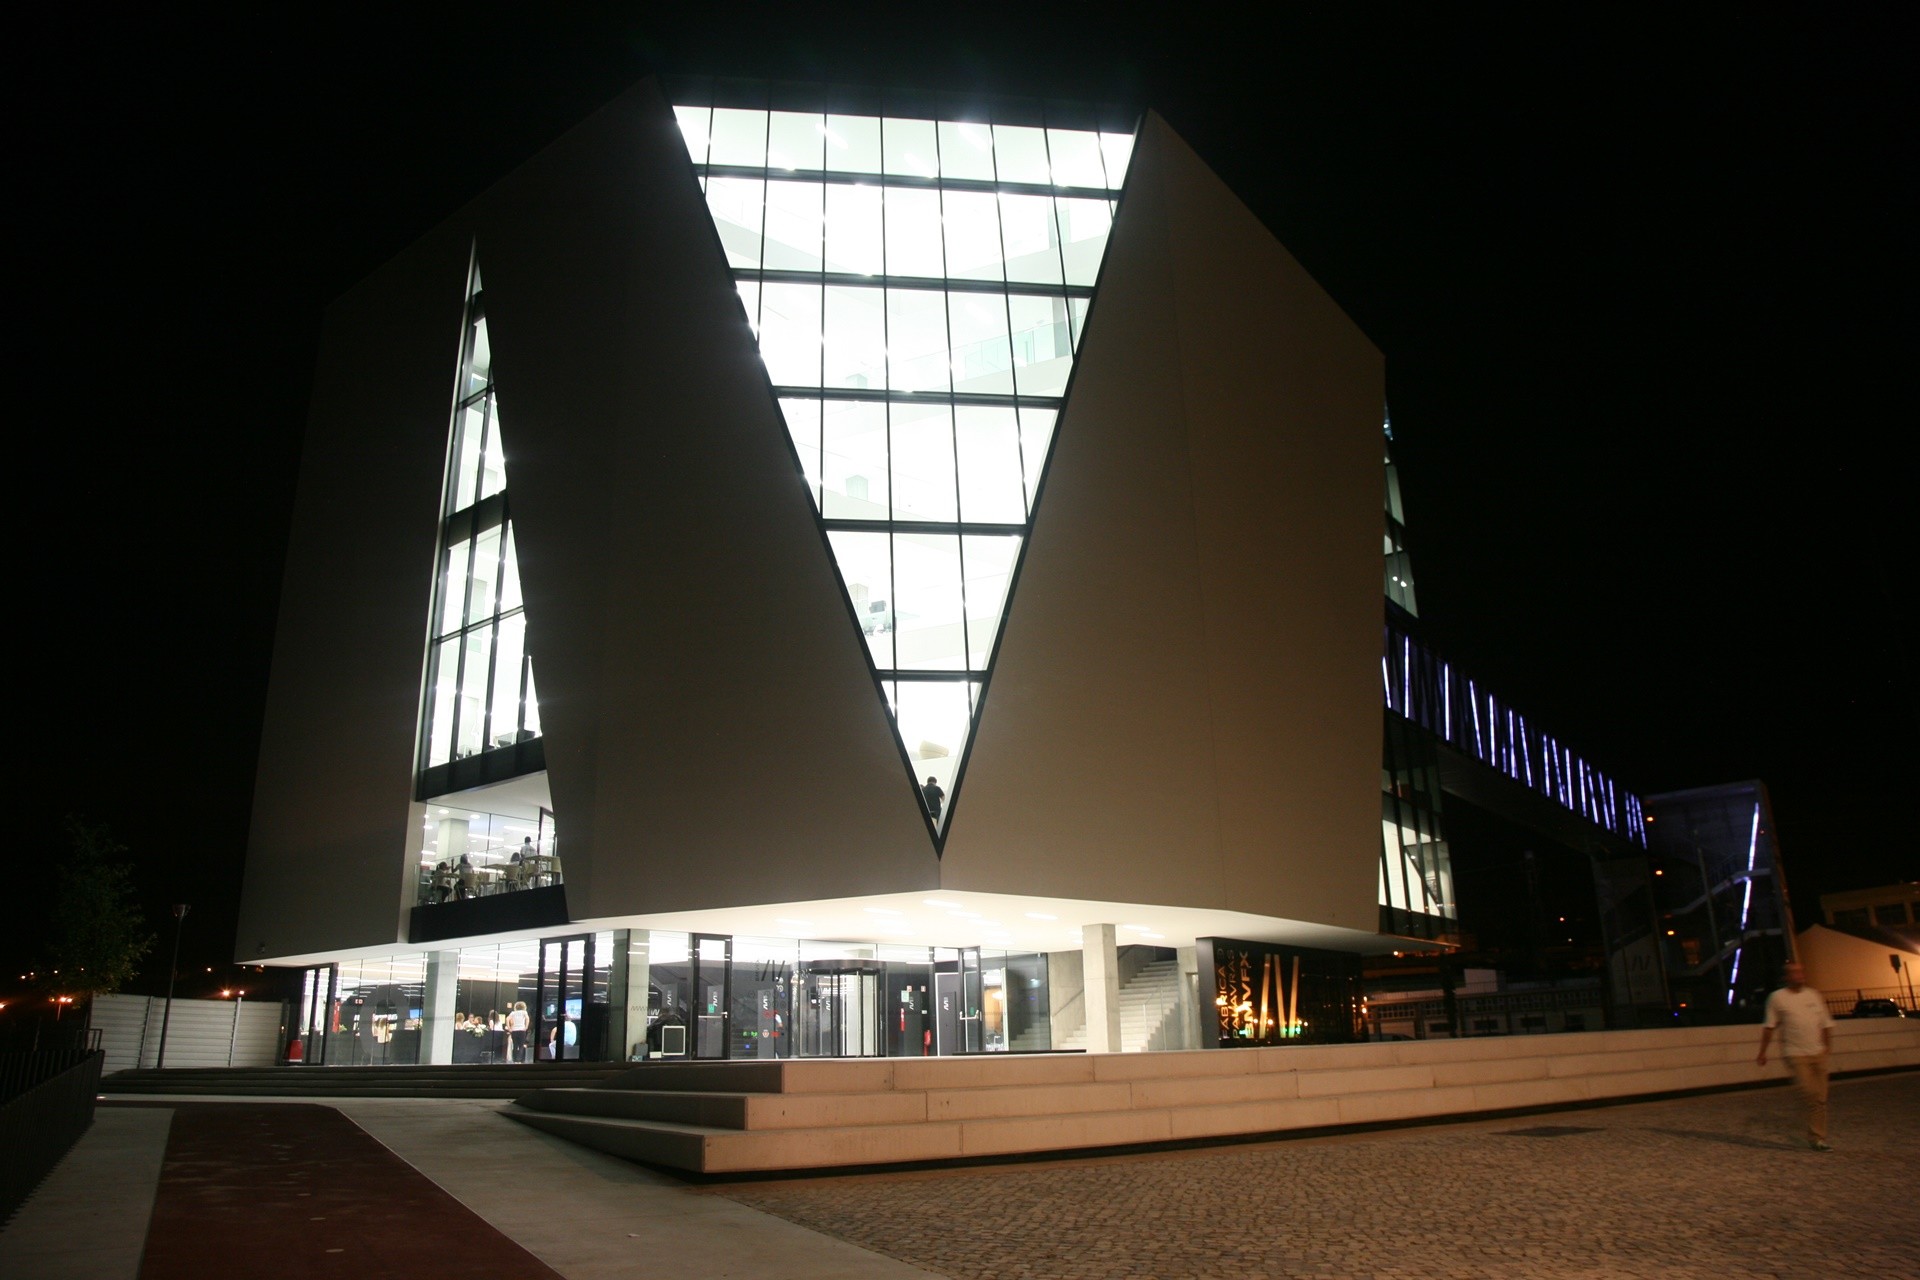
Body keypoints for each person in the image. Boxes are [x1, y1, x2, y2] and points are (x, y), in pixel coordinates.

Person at [1757, 960, 1836, 1150]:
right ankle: (1815, 1133)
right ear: (1786, 977)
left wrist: (1826, 1048)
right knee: (1811, 1093)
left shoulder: (1814, 995)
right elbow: (1769, 1026)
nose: (1799, 975)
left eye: (1801, 971)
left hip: (1818, 1052)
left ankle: (1817, 1138)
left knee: (1821, 1097)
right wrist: (1762, 1052)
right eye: (1794, 972)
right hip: (1795, 1054)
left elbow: (1825, 1023)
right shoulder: (1777, 998)